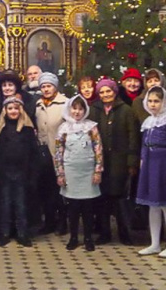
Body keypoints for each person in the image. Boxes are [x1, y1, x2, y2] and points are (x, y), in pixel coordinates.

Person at [137, 86, 166, 258]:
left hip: (164, 164)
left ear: (164, 102)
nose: (153, 104)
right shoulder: (149, 122)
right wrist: (143, 166)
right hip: (150, 165)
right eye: (150, 101)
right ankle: (154, 243)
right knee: (153, 206)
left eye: (156, 101)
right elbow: (144, 146)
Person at [90, 78, 139, 245]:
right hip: (100, 162)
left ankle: (125, 233)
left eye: (108, 91)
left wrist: (132, 162)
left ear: (114, 92)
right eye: (102, 92)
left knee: (119, 200)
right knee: (102, 199)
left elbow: (133, 136)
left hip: (120, 161)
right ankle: (105, 233)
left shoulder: (126, 110)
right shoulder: (94, 110)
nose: (105, 95)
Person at [0, 98, 40, 247]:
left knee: (21, 204)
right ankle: (4, 233)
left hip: (22, 174)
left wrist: (32, 175)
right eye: (10, 108)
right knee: (4, 204)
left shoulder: (28, 129)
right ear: (5, 111)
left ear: (21, 110)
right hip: (4, 173)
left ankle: (22, 233)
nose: (13, 111)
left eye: (16, 109)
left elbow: (34, 153)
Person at [54, 96, 103, 251]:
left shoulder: (91, 127)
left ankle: (88, 238)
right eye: (74, 108)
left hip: (88, 172)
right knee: (73, 208)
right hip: (70, 171)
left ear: (85, 110)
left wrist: (98, 171)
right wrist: (60, 173)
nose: (77, 112)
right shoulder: (63, 129)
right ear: (69, 110)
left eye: (80, 109)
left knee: (88, 208)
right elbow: (58, 152)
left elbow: (98, 150)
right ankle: (73, 237)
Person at [34, 72, 68, 235]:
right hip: (43, 154)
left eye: (49, 86)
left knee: (60, 190)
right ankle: (49, 222)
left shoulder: (65, 103)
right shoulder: (38, 105)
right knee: (46, 190)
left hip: (60, 153)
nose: (46, 89)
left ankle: (63, 222)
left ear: (55, 87)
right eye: (43, 86)